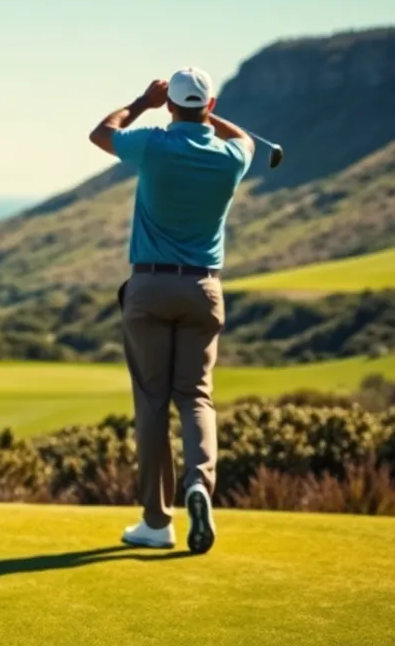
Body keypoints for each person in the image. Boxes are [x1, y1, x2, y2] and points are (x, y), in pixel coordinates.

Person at [87, 67, 254, 555]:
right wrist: (209, 118)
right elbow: (244, 138)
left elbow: (102, 133)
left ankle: (157, 522)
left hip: (149, 286)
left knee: (152, 403)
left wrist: (143, 102)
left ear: (171, 104)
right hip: (203, 288)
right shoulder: (231, 157)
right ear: (210, 105)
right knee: (196, 397)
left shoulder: (154, 144)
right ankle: (199, 484)